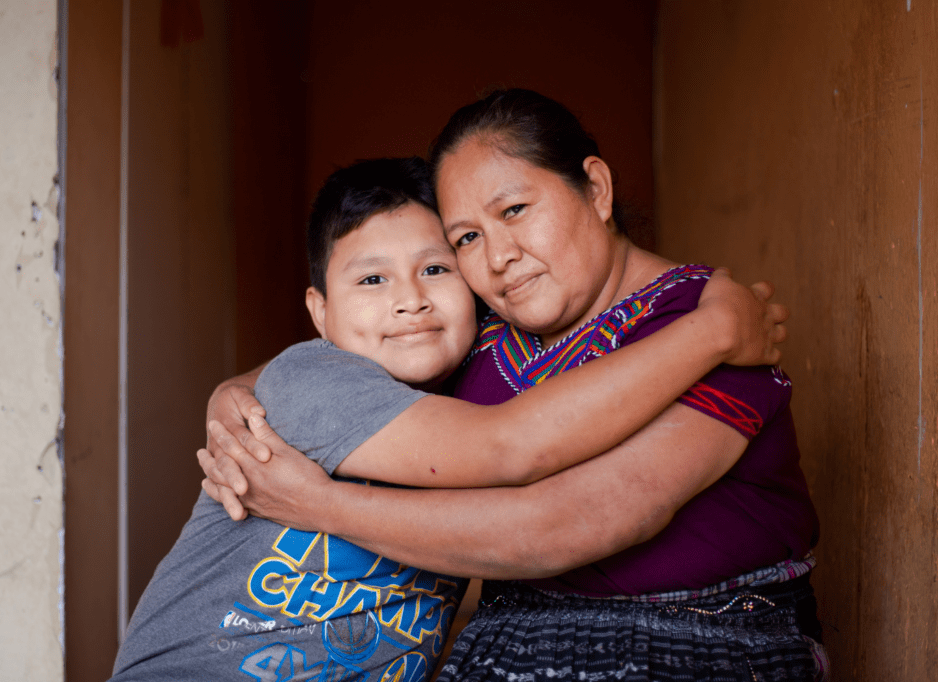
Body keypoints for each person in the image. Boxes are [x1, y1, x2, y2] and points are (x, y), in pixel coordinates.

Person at [202, 89, 826, 681]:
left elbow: (581, 520)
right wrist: (238, 391)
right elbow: (362, 355)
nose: (498, 256)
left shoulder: (710, 326)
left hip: (705, 636)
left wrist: (319, 504)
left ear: (596, 189)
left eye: (515, 211)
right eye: (467, 238)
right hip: (508, 640)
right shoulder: (485, 333)